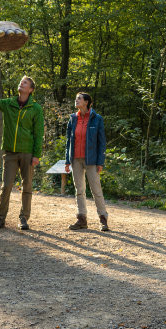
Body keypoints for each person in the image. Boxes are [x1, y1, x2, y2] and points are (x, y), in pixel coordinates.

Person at [0, 74, 44, 231]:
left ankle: (23, 219)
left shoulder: (35, 108)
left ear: (31, 89)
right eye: (21, 81)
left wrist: (36, 155)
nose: (22, 83)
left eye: (25, 82)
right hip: (10, 153)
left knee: (27, 186)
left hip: (27, 153)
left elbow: (38, 132)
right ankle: (0, 219)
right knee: (6, 186)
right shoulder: (9, 103)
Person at [64, 92, 109, 231]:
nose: (76, 101)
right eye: (76, 98)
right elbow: (68, 141)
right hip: (76, 160)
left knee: (96, 190)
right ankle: (81, 219)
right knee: (79, 190)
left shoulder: (97, 119)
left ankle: (103, 219)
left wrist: (100, 162)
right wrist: (67, 160)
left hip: (92, 160)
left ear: (87, 102)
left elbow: (102, 143)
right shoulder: (73, 119)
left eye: (79, 99)